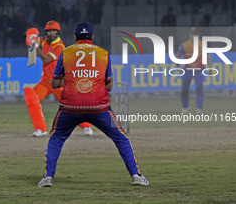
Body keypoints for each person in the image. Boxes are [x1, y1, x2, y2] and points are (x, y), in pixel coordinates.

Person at [37, 22, 149, 187]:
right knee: (121, 137)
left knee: (57, 137)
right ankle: (136, 176)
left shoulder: (66, 52)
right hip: (99, 107)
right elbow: (109, 86)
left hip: (71, 107)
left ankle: (48, 178)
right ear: (93, 37)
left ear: (75, 37)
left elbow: (54, 84)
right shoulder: (103, 53)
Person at [24, 20, 93, 137]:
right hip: (45, 81)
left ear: (58, 32)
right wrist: (31, 37)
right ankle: (40, 128)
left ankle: (86, 125)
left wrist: (36, 48)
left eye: (53, 31)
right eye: (49, 31)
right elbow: (35, 40)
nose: (51, 33)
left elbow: (46, 59)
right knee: (31, 96)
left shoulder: (59, 46)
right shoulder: (45, 41)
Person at [175, 28, 211, 114]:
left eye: (195, 34)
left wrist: (210, 67)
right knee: (184, 89)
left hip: (199, 70)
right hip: (187, 70)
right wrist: (178, 66)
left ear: (198, 35)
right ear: (189, 34)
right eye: (192, 34)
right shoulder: (184, 45)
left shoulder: (202, 45)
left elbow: (207, 56)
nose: (194, 35)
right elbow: (178, 57)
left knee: (199, 87)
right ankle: (185, 107)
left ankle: (199, 108)